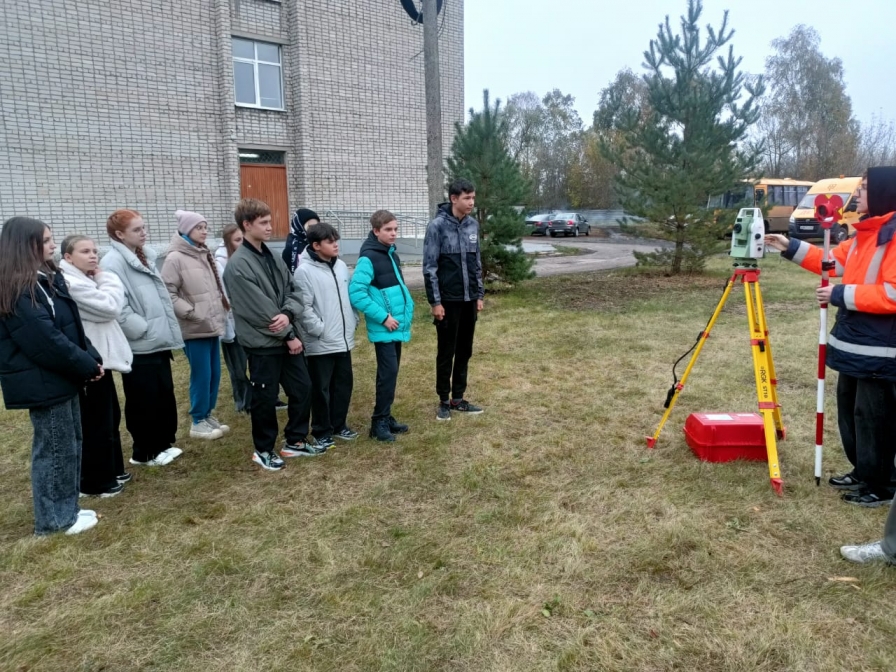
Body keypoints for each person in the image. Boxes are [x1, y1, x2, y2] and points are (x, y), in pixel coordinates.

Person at [765, 166, 896, 508]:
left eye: (865, 188)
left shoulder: (893, 239)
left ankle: (882, 485)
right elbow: (829, 262)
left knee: (875, 418)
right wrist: (787, 246)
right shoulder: (864, 236)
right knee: (851, 411)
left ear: (885, 192)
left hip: (881, 350)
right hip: (854, 344)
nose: (858, 194)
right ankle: (862, 470)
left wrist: (840, 295)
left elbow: (892, 294)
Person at [0, 217, 104, 535]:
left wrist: (90, 357)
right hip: (43, 380)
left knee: (71, 444)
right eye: (45, 241)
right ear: (26, 245)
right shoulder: (19, 287)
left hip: (61, 376)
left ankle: (67, 508)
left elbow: (68, 326)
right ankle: (54, 520)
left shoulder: (45, 278)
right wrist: (84, 364)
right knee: (54, 450)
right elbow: (44, 340)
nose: (51, 246)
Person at [223, 198, 323, 471]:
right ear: (246, 225)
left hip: (287, 335)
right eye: (263, 223)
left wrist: (289, 315)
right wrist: (289, 335)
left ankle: (295, 440)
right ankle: (263, 449)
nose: (270, 227)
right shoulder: (239, 265)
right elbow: (260, 310)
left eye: (269, 221)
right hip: (263, 344)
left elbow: (294, 292)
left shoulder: (272, 255)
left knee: (302, 388)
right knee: (265, 399)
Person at [101, 209, 184, 467]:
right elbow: (118, 307)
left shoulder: (144, 256)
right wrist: (143, 329)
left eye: (143, 227)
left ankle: (161, 444)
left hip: (156, 341)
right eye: (137, 229)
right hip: (140, 344)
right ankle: (144, 452)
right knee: (142, 399)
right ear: (119, 234)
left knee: (161, 394)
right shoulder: (113, 263)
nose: (144, 233)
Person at [60, 235, 132, 498]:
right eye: (85, 251)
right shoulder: (71, 282)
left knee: (109, 417)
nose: (93, 256)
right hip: (89, 360)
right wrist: (106, 277)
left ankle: (111, 469)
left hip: (101, 357)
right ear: (68, 257)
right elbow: (111, 306)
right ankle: (95, 482)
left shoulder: (85, 278)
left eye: (95, 251)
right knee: (95, 422)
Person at [161, 210, 229, 440]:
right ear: (186, 230)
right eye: (199, 227)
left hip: (210, 325)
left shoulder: (202, 253)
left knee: (214, 374)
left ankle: (207, 414)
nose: (204, 231)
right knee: (201, 374)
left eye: (205, 227)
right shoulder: (175, 258)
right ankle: (197, 420)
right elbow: (168, 292)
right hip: (194, 327)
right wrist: (191, 312)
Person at [422, 178, 485, 421]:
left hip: (469, 300)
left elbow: (476, 262)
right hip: (448, 301)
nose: (471, 202)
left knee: (465, 350)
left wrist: (478, 295)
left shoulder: (472, 226)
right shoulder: (437, 227)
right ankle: (443, 400)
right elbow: (430, 268)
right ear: (453, 199)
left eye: (473, 198)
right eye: (467, 198)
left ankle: (458, 397)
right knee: (446, 351)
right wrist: (435, 302)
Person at [349, 210, 414, 442]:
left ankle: (386, 416)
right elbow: (356, 293)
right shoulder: (369, 257)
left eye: (395, 229)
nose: (393, 233)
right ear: (376, 231)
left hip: (395, 327)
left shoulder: (390, 253)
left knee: (391, 373)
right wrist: (383, 317)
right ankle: (378, 423)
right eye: (388, 230)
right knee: (387, 374)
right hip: (385, 327)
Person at [294, 222, 359, 446]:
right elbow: (303, 308)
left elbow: (348, 299)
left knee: (343, 384)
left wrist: (353, 320)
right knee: (321, 389)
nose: (336, 245)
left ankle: (339, 425)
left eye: (336, 240)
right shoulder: (304, 271)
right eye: (330, 242)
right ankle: (321, 430)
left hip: (343, 339)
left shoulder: (341, 266)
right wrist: (318, 330)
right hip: (321, 341)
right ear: (316, 245)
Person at [282, 208, 320, 274]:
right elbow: (286, 273)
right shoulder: (291, 247)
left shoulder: (320, 241)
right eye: (310, 227)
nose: (314, 230)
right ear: (299, 226)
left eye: (316, 226)